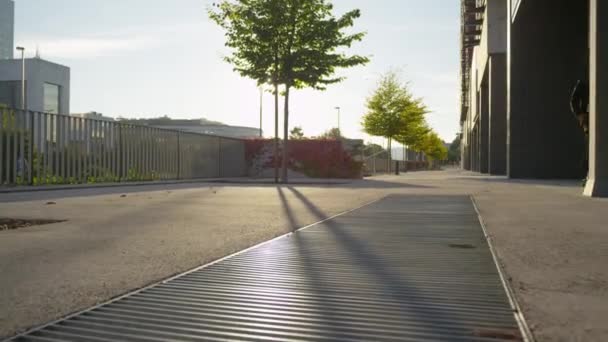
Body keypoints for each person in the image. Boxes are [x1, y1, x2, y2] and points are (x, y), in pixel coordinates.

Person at [570, 79, 589, 184]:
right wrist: (580, 114)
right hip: (588, 117)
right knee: (590, 147)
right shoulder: (583, 82)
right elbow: (573, 100)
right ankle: (589, 174)